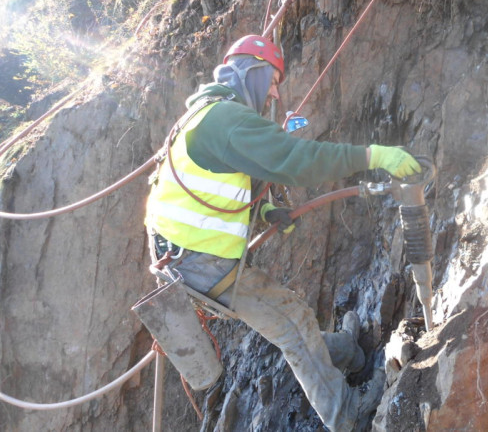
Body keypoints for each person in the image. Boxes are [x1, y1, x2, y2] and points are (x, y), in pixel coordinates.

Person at [144, 34, 420, 431]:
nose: (275, 93)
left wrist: (267, 209)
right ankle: (347, 415)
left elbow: (220, 180)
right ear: (253, 73)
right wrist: (374, 156)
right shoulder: (224, 119)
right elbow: (298, 161)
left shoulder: (206, 115)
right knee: (291, 321)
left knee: (290, 317)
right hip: (199, 263)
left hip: (183, 256)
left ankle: (347, 353)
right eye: (273, 80)